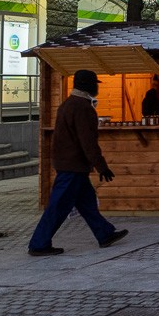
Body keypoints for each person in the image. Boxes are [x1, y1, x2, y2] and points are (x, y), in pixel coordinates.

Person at [28, 69, 128, 256]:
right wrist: (102, 166)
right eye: (95, 84)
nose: (96, 88)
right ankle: (39, 243)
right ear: (88, 86)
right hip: (72, 166)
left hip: (69, 164)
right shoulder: (83, 108)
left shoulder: (68, 104)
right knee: (58, 206)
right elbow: (87, 141)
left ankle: (104, 233)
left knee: (87, 203)